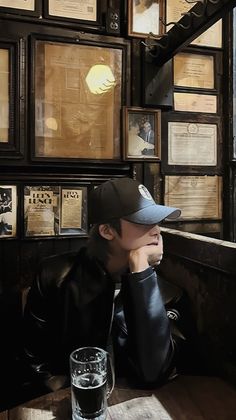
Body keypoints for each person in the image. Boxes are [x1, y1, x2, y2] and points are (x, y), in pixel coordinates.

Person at [22, 177, 196, 397]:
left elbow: (155, 372)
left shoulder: (168, 295)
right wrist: (64, 395)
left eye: (158, 221)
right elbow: (34, 362)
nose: (157, 231)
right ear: (107, 231)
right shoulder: (55, 277)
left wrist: (141, 270)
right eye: (144, 221)